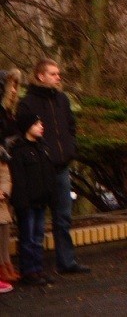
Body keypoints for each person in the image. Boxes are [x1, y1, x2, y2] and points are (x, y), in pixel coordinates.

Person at [17, 58, 90, 274]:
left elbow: (70, 126)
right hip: (39, 168)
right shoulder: (29, 103)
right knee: (35, 221)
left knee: (63, 216)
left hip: (61, 166)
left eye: (58, 74)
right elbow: (24, 133)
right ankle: (33, 268)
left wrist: (70, 148)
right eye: (53, 74)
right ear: (41, 76)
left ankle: (66, 261)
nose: (58, 77)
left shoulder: (62, 99)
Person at [9, 111, 57, 286]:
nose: (41, 126)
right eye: (37, 124)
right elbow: (19, 180)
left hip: (41, 200)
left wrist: (50, 195)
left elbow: (49, 174)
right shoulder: (19, 150)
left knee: (37, 237)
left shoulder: (43, 148)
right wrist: (22, 202)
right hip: (28, 203)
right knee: (28, 237)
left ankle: (38, 268)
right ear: (27, 127)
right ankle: (28, 270)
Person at [0, 69, 21, 292]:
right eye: (11, 86)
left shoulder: (8, 114)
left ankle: (5, 263)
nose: (15, 91)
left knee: (5, 221)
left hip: (6, 169)